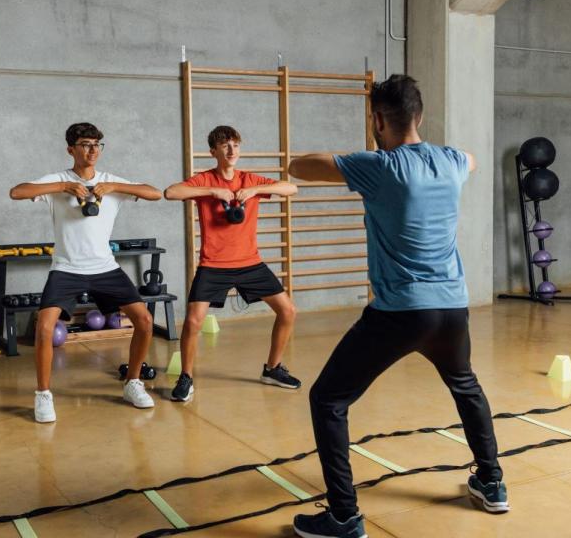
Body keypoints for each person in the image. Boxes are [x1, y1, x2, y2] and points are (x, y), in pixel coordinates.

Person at [287, 75, 508, 538]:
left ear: (379, 120)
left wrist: (362, 154)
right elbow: (473, 159)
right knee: (465, 385)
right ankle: (491, 483)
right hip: (452, 309)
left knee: (327, 398)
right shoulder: (450, 161)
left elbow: (298, 167)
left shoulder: (379, 166)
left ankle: (344, 517)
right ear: (420, 116)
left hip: (401, 312)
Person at [9, 122, 162, 423]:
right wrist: (63, 187)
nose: (92, 150)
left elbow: (155, 193)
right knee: (43, 328)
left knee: (144, 320)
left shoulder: (110, 181)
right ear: (71, 149)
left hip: (105, 267)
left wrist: (115, 187)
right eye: (85, 144)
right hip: (66, 268)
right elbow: (17, 192)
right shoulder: (59, 180)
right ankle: (43, 395)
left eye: (97, 144)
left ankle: (132, 382)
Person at [163, 125, 300, 402]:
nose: (231, 150)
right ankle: (186, 377)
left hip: (250, 263)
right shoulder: (204, 181)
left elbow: (291, 187)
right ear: (214, 151)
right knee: (192, 321)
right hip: (214, 264)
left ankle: (272, 368)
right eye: (225, 145)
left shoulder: (249, 179)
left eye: (235, 145)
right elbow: (171, 192)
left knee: (287, 311)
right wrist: (212, 192)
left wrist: (254, 190)